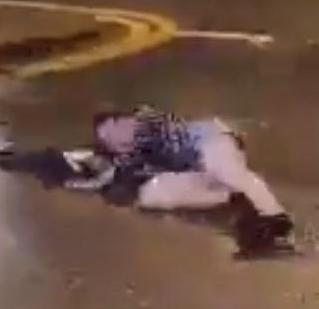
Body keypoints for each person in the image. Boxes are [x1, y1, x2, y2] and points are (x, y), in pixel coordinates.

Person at [83, 106, 293, 252]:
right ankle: (240, 205)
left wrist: (110, 167)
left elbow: (136, 151)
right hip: (197, 169)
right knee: (150, 195)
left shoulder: (145, 119)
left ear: (124, 120)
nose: (115, 140)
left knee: (224, 170)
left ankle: (274, 215)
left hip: (209, 140)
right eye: (108, 140)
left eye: (114, 130)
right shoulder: (139, 157)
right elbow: (129, 173)